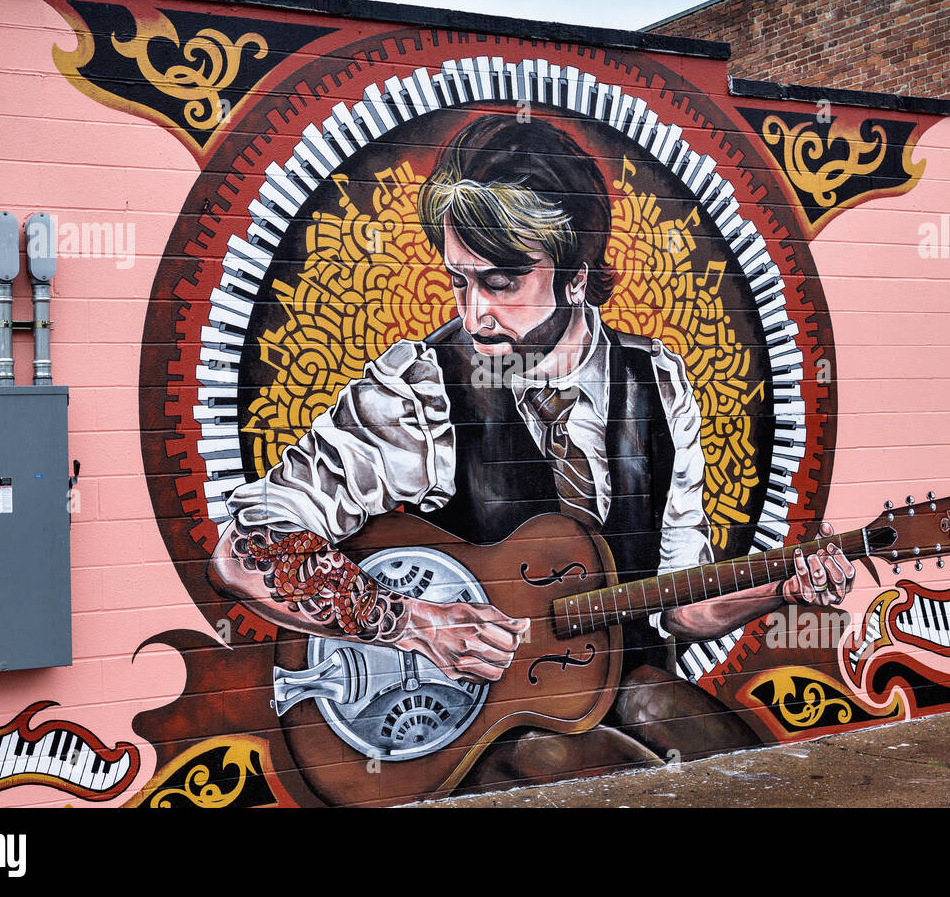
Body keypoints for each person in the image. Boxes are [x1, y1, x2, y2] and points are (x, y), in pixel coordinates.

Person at [209, 113, 854, 784]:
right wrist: (407, 622)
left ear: (576, 272)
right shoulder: (420, 392)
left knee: (752, 771)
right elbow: (243, 550)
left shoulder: (655, 386)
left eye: (500, 282)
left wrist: (782, 587)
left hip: (621, 689)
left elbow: (681, 605)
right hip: (472, 726)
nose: (472, 315)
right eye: (459, 280)